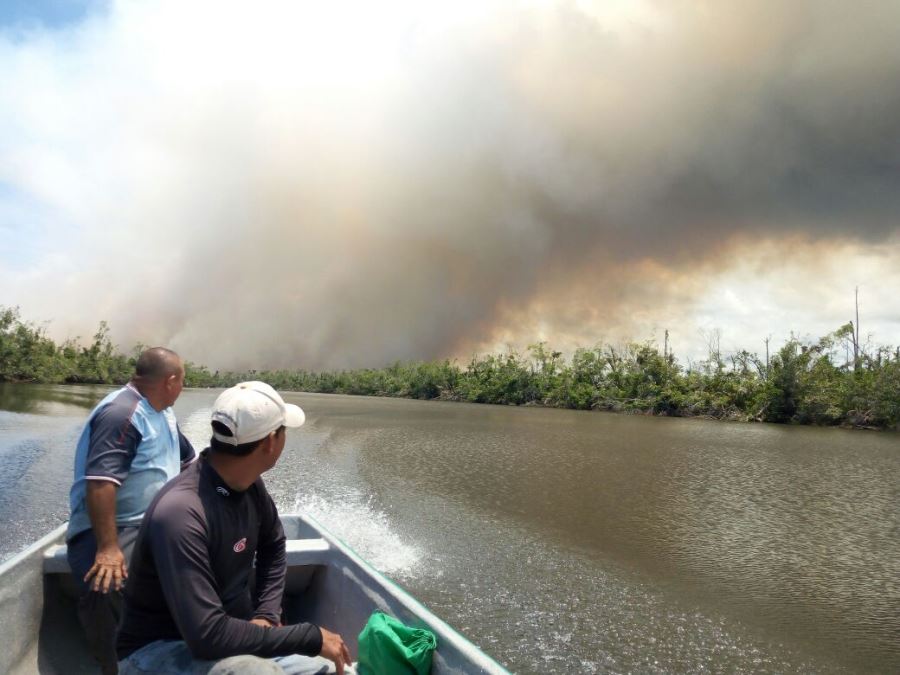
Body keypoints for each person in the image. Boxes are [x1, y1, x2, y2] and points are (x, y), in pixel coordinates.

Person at [117, 381, 354, 675]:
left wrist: (267, 615)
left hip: (232, 638)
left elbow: (274, 544)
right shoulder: (180, 513)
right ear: (270, 442)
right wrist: (310, 636)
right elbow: (207, 637)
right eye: (284, 431)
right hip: (157, 651)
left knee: (333, 668)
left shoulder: (250, 485)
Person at [66, 346, 196, 674]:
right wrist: (108, 549)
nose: (183, 388)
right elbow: (100, 483)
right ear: (170, 381)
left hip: (152, 523)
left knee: (209, 562)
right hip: (112, 527)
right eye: (183, 381)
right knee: (108, 582)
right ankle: (116, 666)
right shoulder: (123, 413)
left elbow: (189, 462)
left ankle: (181, 652)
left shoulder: (162, 411)